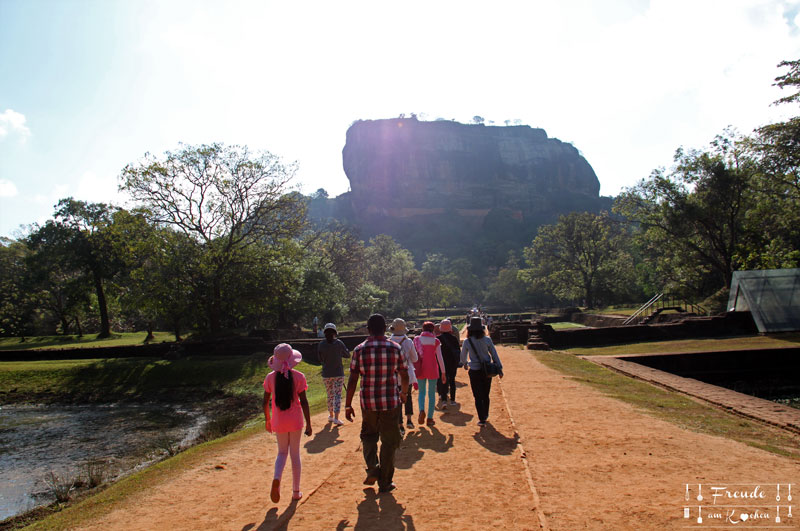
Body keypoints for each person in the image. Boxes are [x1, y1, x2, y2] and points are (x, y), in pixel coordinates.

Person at [345, 314, 409, 493]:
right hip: (390, 401)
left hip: (368, 402)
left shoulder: (359, 350)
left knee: (369, 436)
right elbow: (404, 374)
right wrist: (403, 393)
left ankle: (373, 467)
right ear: (385, 328)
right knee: (389, 441)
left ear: (368, 329)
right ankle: (385, 481)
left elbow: (353, 380)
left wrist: (348, 404)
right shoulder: (395, 348)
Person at [263, 343, 313, 503]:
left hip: (279, 420)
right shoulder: (299, 376)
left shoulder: (270, 378)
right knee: (295, 454)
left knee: (282, 453)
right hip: (295, 419)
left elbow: (265, 402)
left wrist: (267, 420)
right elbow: (304, 402)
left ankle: (277, 478)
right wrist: (309, 424)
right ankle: (296, 491)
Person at [460, 317, 503, 427]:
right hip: (486, 370)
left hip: (474, 370)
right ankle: (486, 414)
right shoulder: (487, 340)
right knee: (485, 394)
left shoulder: (467, 341)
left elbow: (463, 357)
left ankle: (481, 418)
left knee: (477, 395)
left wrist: (465, 364)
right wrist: (499, 368)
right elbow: (494, 354)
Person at [412, 321, 446, 426]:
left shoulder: (417, 340)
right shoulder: (435, 341)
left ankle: (422, 410)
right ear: (433, 330)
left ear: (423, 329)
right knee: (432, 394)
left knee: (421, 393)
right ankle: (430, 418)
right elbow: (440, 358)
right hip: (432, 369)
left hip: (420, 369)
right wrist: (443, 372)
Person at [317, 322, 350, 425]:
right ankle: (336, 417)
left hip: (326, 374)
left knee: (330, 395)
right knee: (337, 395)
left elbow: (320, 359)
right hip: (338, 373)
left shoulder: (321, 344)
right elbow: (347, 355)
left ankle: (331, 415)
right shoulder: (339, 343)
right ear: (335, 332)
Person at [388, 318, 418, 430]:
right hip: (407, 373)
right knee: (408, 396)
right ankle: (409, 420)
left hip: (394, 374)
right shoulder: (408, 342)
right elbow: (415, 359)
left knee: (397, 400)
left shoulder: (389, 341)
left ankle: (399, 424)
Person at [436, 319, 460, 408]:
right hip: (452, 362)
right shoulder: (453, 338)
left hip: (441, 362)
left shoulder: (438, 339)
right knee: (452, 380)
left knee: (443, 380)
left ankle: (444, 400)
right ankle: (453, 400)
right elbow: (458, 351)